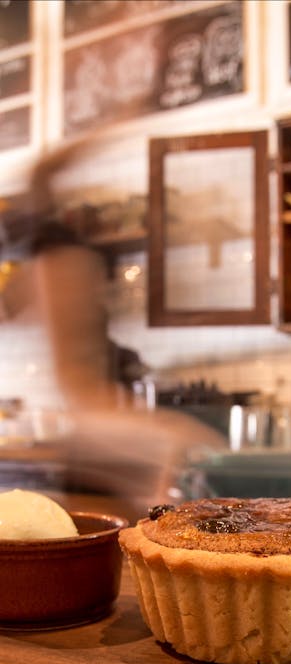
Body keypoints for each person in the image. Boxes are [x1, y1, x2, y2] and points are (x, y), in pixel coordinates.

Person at [2, 135, 227, 518]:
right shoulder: (57, 265)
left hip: (93, 424)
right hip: (93, 421)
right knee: (196, 447)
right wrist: (109, 127)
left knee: (187, 456)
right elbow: (43, 173)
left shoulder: (41, 272)